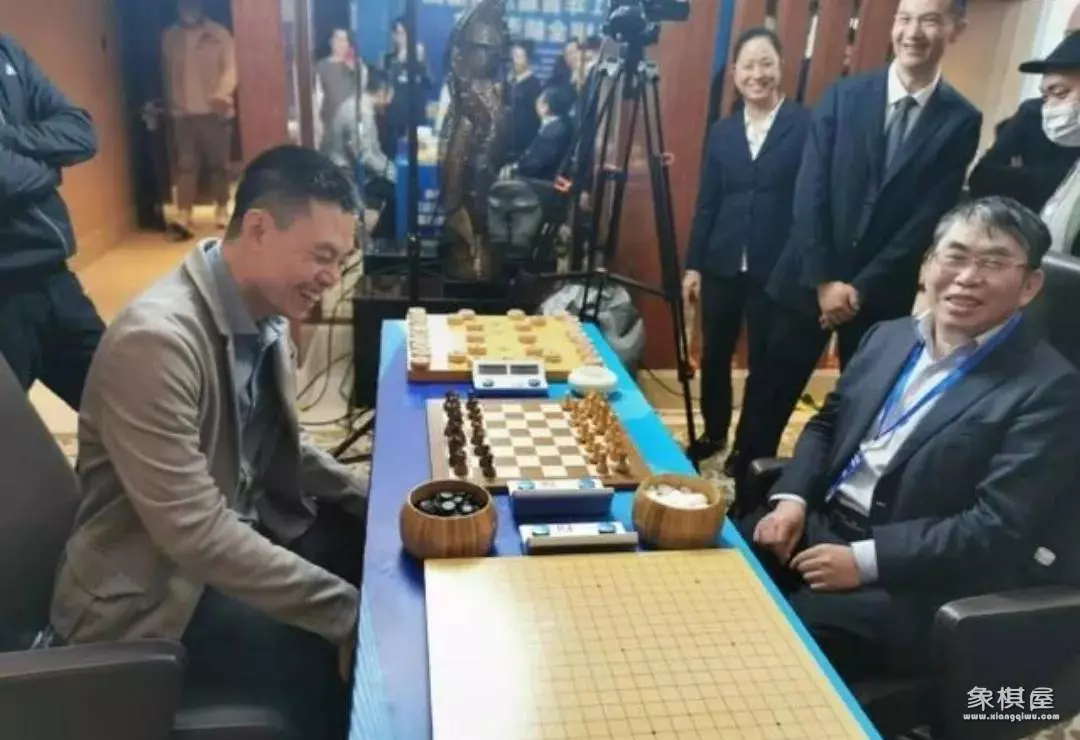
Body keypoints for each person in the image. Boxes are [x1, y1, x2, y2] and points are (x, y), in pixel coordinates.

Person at [46, 146, 367, 740]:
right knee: (334, 655)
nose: (331, 277)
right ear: (259, 228)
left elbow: (278, 448)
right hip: (153, 604)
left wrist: (367, 493)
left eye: (340, 261)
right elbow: (195, 533)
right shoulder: (156, 343)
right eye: (322, 255)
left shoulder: (261, 312)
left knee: (365, 546)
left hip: (216, 553)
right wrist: (342, 610)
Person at [740, 196, 1080, 682]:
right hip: (819, 525)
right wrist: (792, 499)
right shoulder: (889, 336)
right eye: (955, 255)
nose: (967, 276)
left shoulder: (1050, 388)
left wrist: (865, 561)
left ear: (1030, 286)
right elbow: (828, 424)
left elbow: (996, 526)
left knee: (769, 648)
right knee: (712, 566)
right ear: (926, 266)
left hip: (914, 581)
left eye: (993, 263)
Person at [736, 0, 982, 494]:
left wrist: (860, 287)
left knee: (859, 410)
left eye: (929, 20)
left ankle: (825, 503)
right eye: (904, 18)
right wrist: (825, 279)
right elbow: (810, 191)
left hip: (879, 295)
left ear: (955, 29)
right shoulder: (844, 95)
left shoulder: (961, 119)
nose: (913, 32)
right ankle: (744, 500)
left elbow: (926, 219)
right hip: (804, 278)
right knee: (766, 401)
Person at [681, 29, 810, 469]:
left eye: (766, 63)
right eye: (748, 65)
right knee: (714, 355)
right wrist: (694, 264)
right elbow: (707, 203)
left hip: (776, 269)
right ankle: (714, 432)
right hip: (721, 263)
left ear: (781, 67)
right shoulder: (722, 132)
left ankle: (746, 447)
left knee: (764, 362)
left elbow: (809, 202)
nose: (757, 74)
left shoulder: (804, 125)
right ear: (735, 73)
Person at [0, 34, 103, 411]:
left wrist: (7, 136)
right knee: (10, 431)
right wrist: (51, 168)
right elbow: (7, 179)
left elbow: (81, 132)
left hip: (54, 279)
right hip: (4, 292)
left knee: (125, 402)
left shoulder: (7, 51)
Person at [969, 32, 1080, 255]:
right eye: (1045, 97)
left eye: (1060, 93)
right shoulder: (1032, 115)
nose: (1050, 109)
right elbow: (983, 179)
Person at [161, 0, 237, 230]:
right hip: (183, 113)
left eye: (192, 4)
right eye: (183, 5)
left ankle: (222, 208)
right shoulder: (170, 36)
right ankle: (184, 212)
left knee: (219, 164)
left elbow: (231, 68)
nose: (187, 8)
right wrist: (170, 104)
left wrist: (222, 93)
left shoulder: (218, 34)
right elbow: (166, 73)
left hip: (214, 111)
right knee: (185, 164)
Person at [329, 69, 397, 238]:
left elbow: (374, 151)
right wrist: (393, 174)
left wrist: (391, 169)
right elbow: (365, 157)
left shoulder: (357, 105)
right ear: (381, 92)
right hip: (347, 176)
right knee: (397, 192)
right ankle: (381, 238)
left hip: (355, 172)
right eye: (389, 96)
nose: (389, 103)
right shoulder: (361, 114)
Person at [381, 17, 431, 158]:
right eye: (399, 33)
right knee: (394, 157)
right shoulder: (387, 58)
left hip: (416, 116)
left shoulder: (418, 57)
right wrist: (400, 60)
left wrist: (420, 62)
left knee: (417, 157)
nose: (402, 38)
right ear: (393, 35)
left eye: (405, 33)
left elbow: (429, 83)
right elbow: (386, 84)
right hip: (395, 118)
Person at [315, 28, 366, 154]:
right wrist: (317, 123)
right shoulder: (321, 66)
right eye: (337, 39)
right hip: (329, 123)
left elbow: (362, 91)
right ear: (331, 42)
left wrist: (355, 67)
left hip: (351, 125)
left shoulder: (357, 65)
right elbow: (317, 97)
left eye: (344, 40)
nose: (340, 43)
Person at [514, 86, 574, 182]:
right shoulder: (562, 124)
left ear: (545, 107)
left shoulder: (553, 132)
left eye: (539, 102)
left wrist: (516, 168)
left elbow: (536, 164)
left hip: (539, 181)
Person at [506, 39, 542, 162]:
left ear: (528, 60)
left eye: (519, 57)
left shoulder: (534, 85)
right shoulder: (507, 82)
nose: (514, 60)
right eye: (513, 56)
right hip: (505, 142)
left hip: (524, 143)